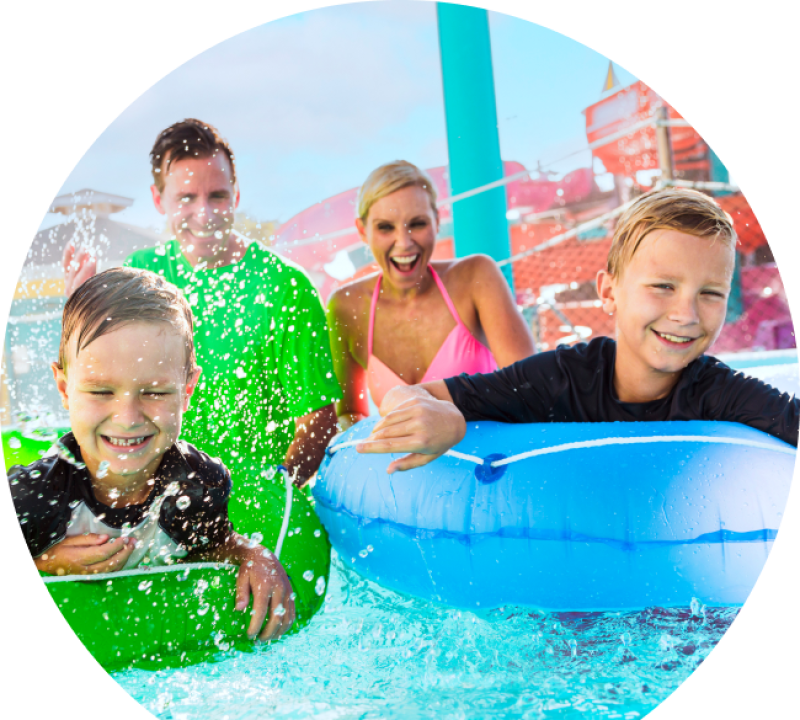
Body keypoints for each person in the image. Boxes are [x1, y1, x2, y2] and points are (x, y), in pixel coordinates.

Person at [353, 188, 800, 471]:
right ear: (608, 292)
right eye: (663, 286)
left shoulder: (717, 391)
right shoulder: (561, 377)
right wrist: (447, 419)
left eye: (710, 294)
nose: (686, 313)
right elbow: (407, 395)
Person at [11, 269, 294, 641]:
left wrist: (253, 554)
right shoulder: (32, 496)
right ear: (64, 389)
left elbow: (213, 543)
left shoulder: (199, 483)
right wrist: (45, 562)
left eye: (156, 393)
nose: (128, 418)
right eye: (100, 392)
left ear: (187, 389)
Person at [63, 119, 341, 490]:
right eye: (187, 198)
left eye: (218, 196)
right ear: (159, 200)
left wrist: (273, 496)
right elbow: (96, 391)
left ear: (236, 195)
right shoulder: (142, 273)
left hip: (267, 507)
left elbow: (318, 423)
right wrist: (79, 319)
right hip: (167, 509)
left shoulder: (285, 286)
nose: (206, 214)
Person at [326, 160, 535, 428]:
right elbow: (349, 415)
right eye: (385, 227)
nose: (404, 242)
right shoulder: (346, 305)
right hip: (402, 468)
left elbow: (532, 389)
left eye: (417, 223)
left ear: (436, 222)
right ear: (361, 231)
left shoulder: (476, 277)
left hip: (490, 465)